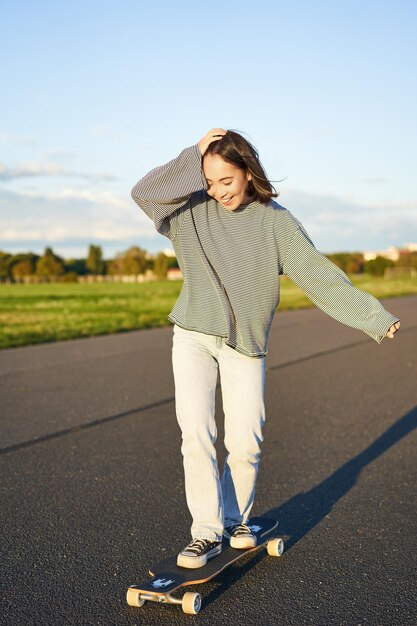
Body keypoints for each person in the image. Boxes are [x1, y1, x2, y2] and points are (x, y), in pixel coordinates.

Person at [131, 128, 401, 569]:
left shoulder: (275, 222)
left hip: (246, 345)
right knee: (196, 435)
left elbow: (319, 276)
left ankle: (238, 521)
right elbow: (144, 193)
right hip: (193, 335)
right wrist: (194, 152)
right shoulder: (190, 210)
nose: (219, 192)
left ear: (248, 172)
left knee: (245, 441)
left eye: (227, 181)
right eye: (210, 181)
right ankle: (205, 532)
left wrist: (372, 316)